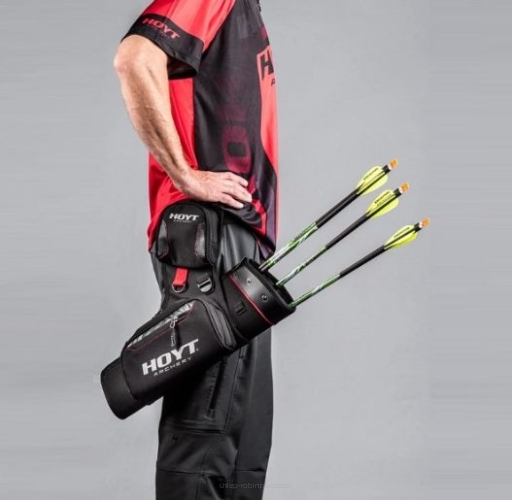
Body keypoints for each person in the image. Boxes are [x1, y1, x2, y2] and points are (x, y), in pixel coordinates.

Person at [113, 1, 278, 498]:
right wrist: (185, 176)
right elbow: (135, 58)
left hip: (240, 239)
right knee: (203, 438)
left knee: (242, 447)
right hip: (210, 233)